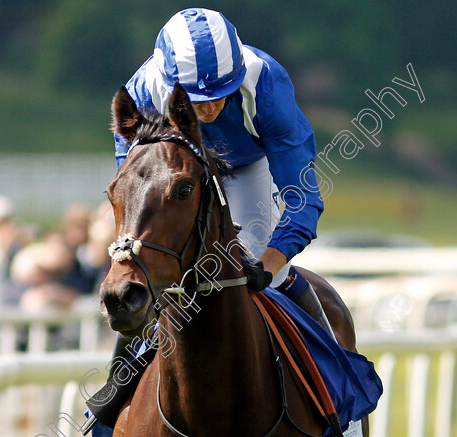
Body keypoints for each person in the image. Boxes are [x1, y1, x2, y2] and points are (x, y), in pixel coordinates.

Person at [114, 7, 332, 332]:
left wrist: (270, 263)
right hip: (181, 177)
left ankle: (333, 363)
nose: (211, 106)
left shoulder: (267, 84)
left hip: (250, 167)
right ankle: (122, 376)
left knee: (254, 254)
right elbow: (134, 197)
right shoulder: (143, 95)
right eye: (196, 98)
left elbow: (303, 198)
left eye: (221, 92)